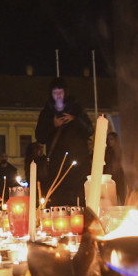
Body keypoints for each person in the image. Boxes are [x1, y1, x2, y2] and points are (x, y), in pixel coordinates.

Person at [35, 77, 94, 206]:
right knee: (60, 199)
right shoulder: (47, 112)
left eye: (60, 93)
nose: (58, 96)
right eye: (55, 93)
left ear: (65, 93)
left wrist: (74, 119)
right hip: (58, 164)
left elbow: (89, 130)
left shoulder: (76, 109)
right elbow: (40, 137)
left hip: (78, 163)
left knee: (79, 199)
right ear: (51, 94)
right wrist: (53, 125)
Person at [103, 130, 127, 205]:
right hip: (109, 177)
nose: (109, 141)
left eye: (112, 139)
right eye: (108, 139)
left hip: (119, 176)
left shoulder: (119, 151)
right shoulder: (107, 152)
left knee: (121, 195)